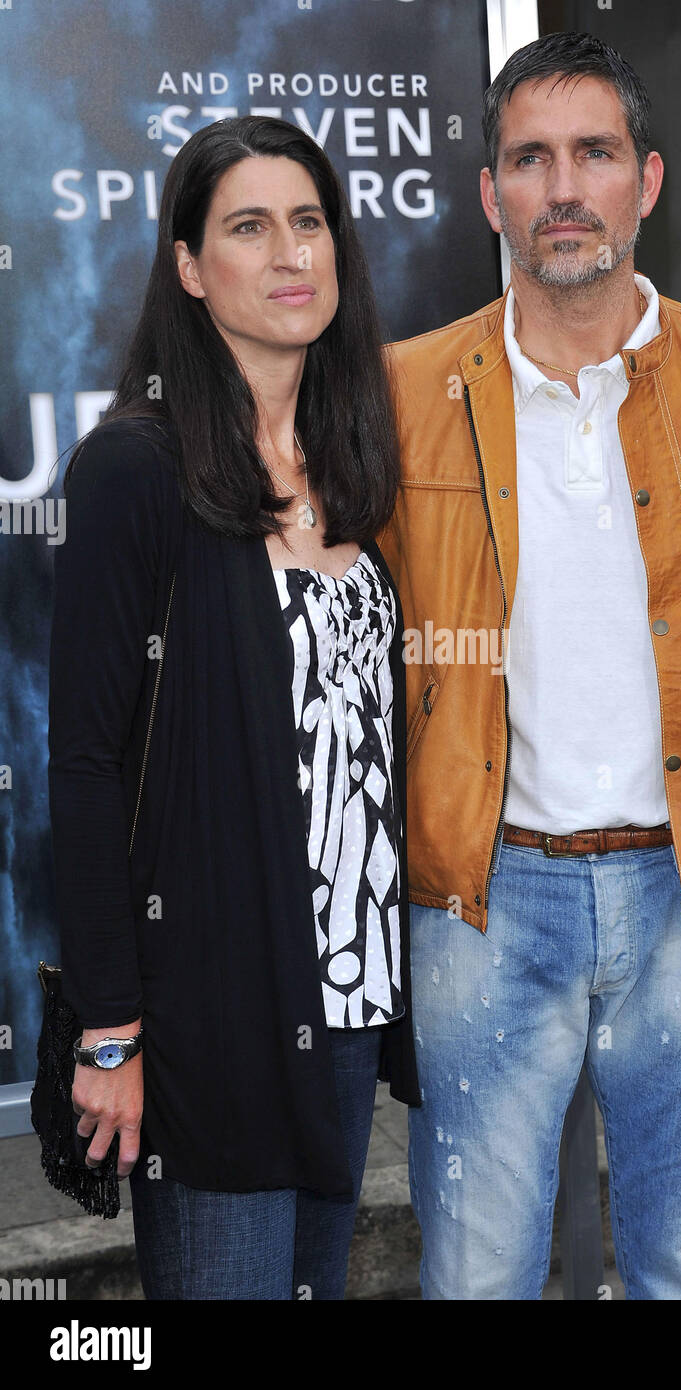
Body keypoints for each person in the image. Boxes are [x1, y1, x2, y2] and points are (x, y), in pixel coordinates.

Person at [379, 32, 681, 1300]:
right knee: (475, 1278)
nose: (562, 188)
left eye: (592, 153)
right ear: (490, 194)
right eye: (529, 159)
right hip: (479, 904)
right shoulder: (400, 393)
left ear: (648, 181)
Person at [47, 115, 419, 1301]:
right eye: (247, 228)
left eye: (308, 222)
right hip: (209, 1021)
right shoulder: (135, 473)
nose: (288, 253)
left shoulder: (353, 464)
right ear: (190, 267)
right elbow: (87, 768)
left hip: (342, 1012)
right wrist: (112, 1030)